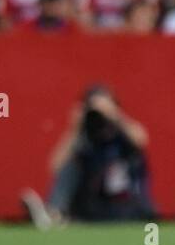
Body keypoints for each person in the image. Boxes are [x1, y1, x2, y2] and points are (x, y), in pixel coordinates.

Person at [21, 86, 154, 228]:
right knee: (71, 166)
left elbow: (142, 140)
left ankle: (54, 217)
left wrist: (115, 115)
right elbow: (55, 167)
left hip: (128, 206)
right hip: (94, 206)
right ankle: (53, 214)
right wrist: (74, 129)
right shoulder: (85, 138)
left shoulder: (123, 135)